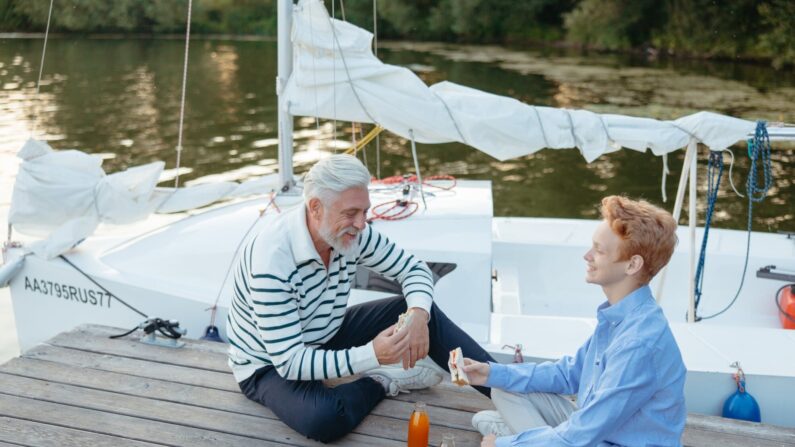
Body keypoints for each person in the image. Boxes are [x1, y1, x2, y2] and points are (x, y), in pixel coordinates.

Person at [226, 154, 495, 442]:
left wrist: (418, 314)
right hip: (269, 364)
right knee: (323, 420)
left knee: (417, 307)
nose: (362, 223)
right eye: (351, 213)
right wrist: (373, 357)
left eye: (364, 211)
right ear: (315, 207)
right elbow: (290, 362)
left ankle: (509, 392)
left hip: (327, 334)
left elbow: (414, 269)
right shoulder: (273, 260)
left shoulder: (351, 232)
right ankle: (382, 379)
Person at [465, 195, 686, 447]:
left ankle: (521, 435)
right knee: (503, 388)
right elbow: (569, 374)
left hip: (611, 441)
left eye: (599, 250)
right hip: (596, 431)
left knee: (494, 426)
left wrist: (502, 446)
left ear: (633, 264)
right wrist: (490, 372)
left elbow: (580, 434)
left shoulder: (638, 343)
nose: (587, 256)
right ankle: (527, 435)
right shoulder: (620, 317)